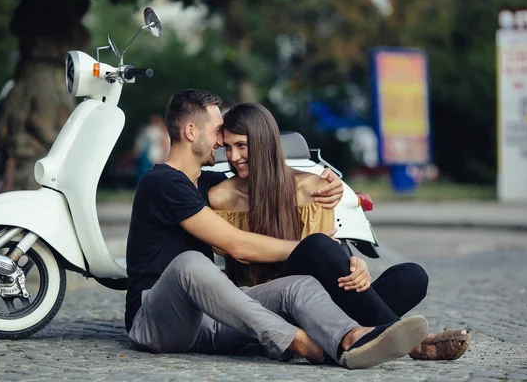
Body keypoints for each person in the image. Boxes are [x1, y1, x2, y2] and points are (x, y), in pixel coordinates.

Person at [125, 89, 430, 369]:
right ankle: (298, 340)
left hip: (212, 319)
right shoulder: (162, 183)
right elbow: (237, 245)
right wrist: (312, 247)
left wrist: (326, 184)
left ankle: (351, 339)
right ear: (191, 131)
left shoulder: (207, 185)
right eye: (218, 130)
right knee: (190, 264)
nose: (221, 142)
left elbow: (269, 176)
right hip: (157, 321)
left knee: (298, 286)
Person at [208, 102, 471, 361]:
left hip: (321, 306)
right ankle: (413, 345)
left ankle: (357, 336)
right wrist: (320, 250)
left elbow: (325, 260)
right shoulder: (220, 197)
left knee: (412, 276)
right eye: (228, 147)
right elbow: (312, 249)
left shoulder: (313, 187)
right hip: (268, 309)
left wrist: (352, 265)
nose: (233, 157)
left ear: (265, 143)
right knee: (316, 245)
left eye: (242, 146)